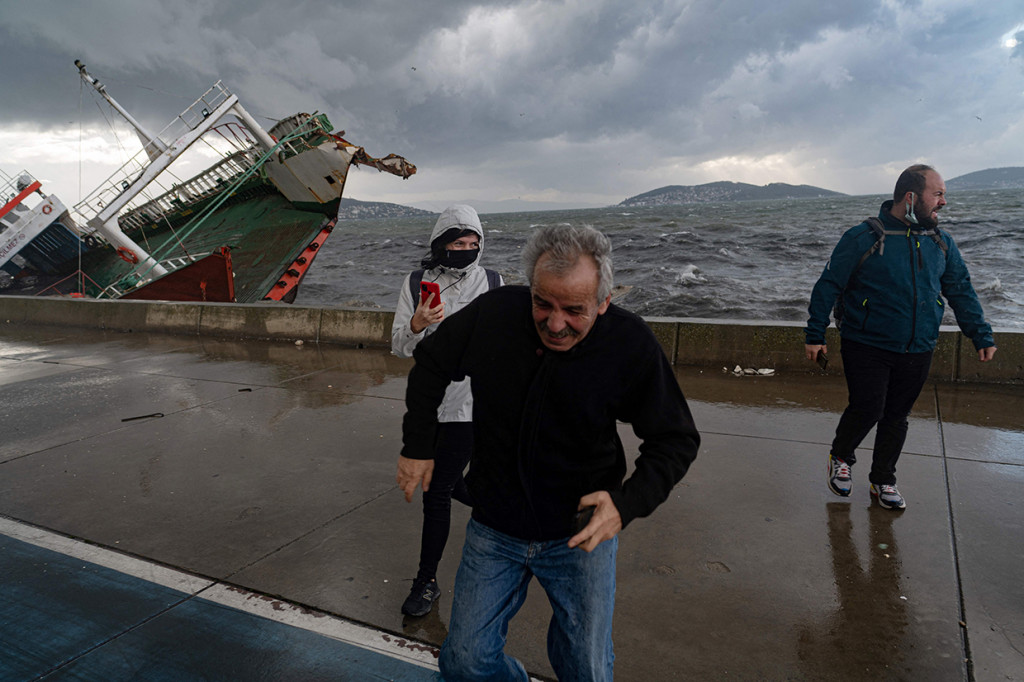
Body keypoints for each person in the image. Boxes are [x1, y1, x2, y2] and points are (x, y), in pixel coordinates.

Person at [397, 224, 700, 680]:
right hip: (495, 526)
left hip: (579, 534)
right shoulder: (496, 314)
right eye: (543, 303)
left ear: (604, 301)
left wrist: (626, 504)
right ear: (531, 289)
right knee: (464, 662)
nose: (555, 324)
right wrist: (418, 445)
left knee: (586, 670)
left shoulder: (628, 343)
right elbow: (431, 365)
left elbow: (676, 439)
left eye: (575, 310)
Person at [805, 164, 996, 510]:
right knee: (868, 406)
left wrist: (980, 334)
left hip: (918, 345)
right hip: (866, 343)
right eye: (937, 194)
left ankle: (883, 480)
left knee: (897, 416)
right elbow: (828, 284)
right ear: (911, 197)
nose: (943, 203)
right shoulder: (864, 237)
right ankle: (842, 456)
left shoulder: (940, 241)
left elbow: (960, 290)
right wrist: (814, 333)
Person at [391, 204, 502, 617]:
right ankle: (498, 506)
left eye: (474, 243)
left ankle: (426, 581)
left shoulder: (492, 281)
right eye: (458, 243)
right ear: (441, 244)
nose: (467, 250)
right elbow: (399, 345)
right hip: (427, 404)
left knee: (436, 492)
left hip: (469, 406)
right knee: (451, 482)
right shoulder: (417, 281)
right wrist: (419, 323)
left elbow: (503, 344)